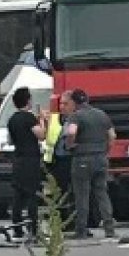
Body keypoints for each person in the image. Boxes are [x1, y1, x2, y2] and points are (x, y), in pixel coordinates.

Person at [65, 89, 117, 239]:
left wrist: (70, 145)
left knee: (82, 195)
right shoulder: (101, 114)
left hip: (82, 159)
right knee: (102, 193)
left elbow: (71, 133)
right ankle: (109, 228)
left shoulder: (75, 116)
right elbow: (112, 135)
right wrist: (105, 149)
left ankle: (81, 229)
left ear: (74, 102)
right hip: (101, 158)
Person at [7, 87, 47, 240]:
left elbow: (11, 139)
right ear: (28, 100)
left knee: (18, 193)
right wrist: (42, 120)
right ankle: (33, 228)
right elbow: (41, 135)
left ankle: (17, 227)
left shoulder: (12, 119)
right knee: (31, 194)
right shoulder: (29, 118)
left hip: (17, 158)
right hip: (31, 158)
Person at [45, 90, 80, 230]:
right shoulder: (55, 119)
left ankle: (73, 221)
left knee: (73, 193)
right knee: (58, 193)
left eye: (66, 104)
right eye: (60, 104)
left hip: (72, 159)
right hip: (57, 161)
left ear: (74, 105)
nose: (62, 107)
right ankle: (61, 222)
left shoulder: (77, 119)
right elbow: (47, 137)